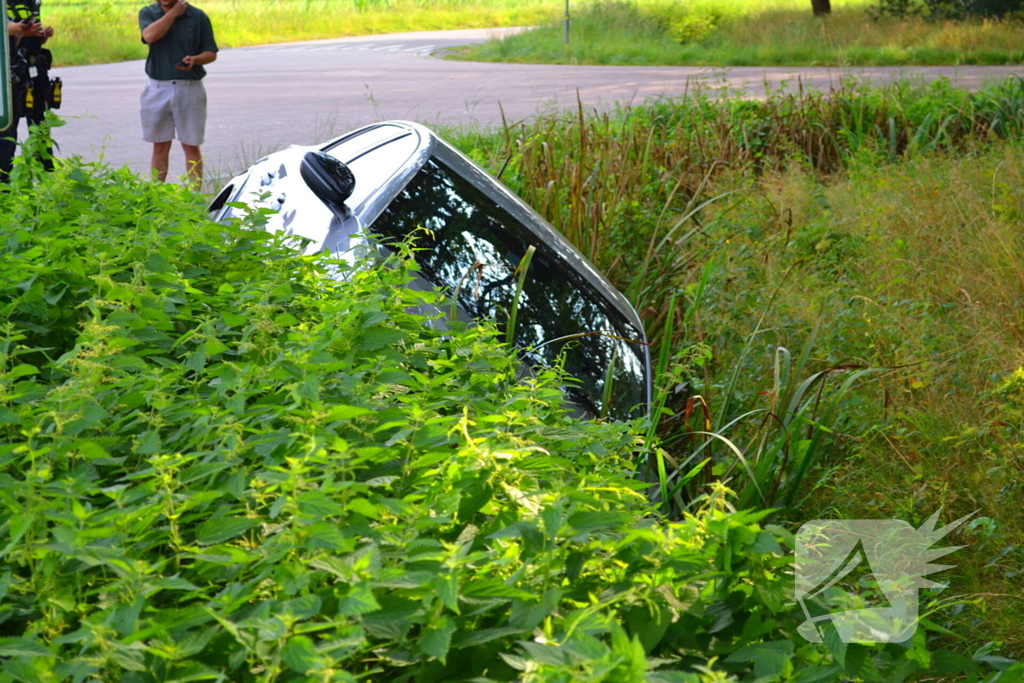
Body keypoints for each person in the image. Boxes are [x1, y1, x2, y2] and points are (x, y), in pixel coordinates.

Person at [138, 0, 217, 187]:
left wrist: (195, 60)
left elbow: (211, 53)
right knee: (159, 145)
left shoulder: (197, 16)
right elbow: (149, 36)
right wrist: (173, 13)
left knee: (191, 145)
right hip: (157, 87)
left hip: (189, 86)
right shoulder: (148, 12)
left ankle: (194, 196)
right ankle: (157, 193)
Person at [0, 0, 53, 182]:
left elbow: (13, 41)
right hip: (7, 77)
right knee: (7, 130)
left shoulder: (31, 3)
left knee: (39, 123)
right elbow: (7, 28)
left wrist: (35, 35)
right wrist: (15, 29)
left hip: (27, 68)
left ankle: (46, 174)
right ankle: (5, 180)